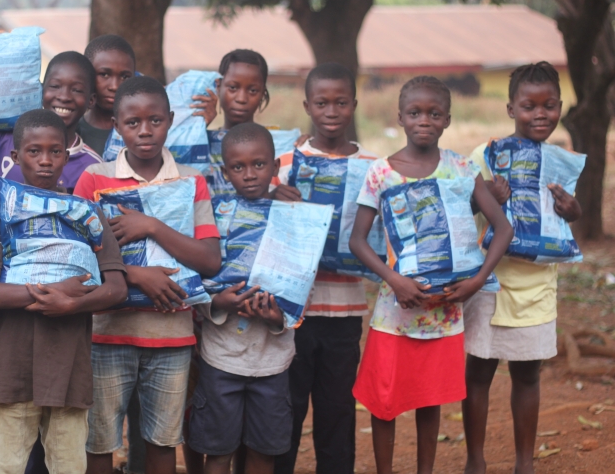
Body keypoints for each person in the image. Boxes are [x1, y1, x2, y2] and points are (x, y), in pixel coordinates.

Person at [0, 50, 102, 474]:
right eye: (55, 86)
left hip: (49, 292)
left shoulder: (92, 166)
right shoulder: (7, 138)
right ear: (40, 90)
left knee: (35, 389)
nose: (64, 96)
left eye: (76, 89)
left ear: (91, 99)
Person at [348, 76, 513, 474]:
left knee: (430, 398)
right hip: (395, 310)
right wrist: (395, 280)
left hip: (444, 312)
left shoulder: (462, 168)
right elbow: (357, 241)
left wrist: (477, 281)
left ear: (448, 120)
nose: (424, 120)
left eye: (434, 113)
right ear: (400, 117)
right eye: (415, 113)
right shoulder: (381, 173)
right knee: (384, 401)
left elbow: (502, 228)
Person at [73, 76, 222, 474]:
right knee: (99, 442)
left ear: (170, 120)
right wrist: (136, 275)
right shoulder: (94, 179)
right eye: (133, 122)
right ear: (117, 125)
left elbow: (210, 260)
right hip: (106, 333)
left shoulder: (191, 181)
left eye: (154, 120)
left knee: (162, 442)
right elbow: (75, 255)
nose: (144, 131)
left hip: (172, 336)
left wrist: (152, 226)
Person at [0, 110, 128, 473]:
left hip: (68, 367)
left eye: (55, 151)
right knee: (4, 466)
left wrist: (71, 303)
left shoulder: (86, 214)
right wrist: (60, 292)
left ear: (67, 155)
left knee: (69, 464)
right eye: (34, 151)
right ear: (15, 155)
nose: (45, 160)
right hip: (13, 365)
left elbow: (116, 288)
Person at [462, 62, 580, 474]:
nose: (540, 114)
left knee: (528, 376)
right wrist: (484, 198)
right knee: (478, 373)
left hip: (536, 288)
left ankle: (524, 463)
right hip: (488, 283)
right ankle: (475, 461)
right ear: (511, 108)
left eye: (549, 105)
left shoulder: (560, 163)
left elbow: (564, 219)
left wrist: (574, 210)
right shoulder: (485, 156)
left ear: (561, 107)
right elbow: (460, 209)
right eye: (529, 106)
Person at [272, 63, 377, 474]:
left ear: (354, 104)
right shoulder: (284, 164)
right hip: (291, 314)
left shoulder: (375, 168)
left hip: (345, 313)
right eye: (321, 102)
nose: (331, 110)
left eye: (340, 102)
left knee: (337, 411)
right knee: (287, 408)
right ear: (307, 106)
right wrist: (273, 200)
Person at [187, 122, 295, 474]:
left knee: (264, 452)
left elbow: (299, 287)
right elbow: (199, 280)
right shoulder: (214, 216)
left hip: (272, 361)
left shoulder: (292, 221)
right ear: (224, 171)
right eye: (238, 167)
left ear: (276, 167)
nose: (249, 175)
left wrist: (278, 316)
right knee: (218, 452)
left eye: (259, 164)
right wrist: (219, 303)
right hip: (221, 358)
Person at [203, 49, 271, 197]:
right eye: (233, 88)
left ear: (263, 94)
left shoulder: (278, 144)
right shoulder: (202, 141)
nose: (241, 98)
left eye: (252, 90)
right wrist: (198, 130)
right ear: (218, 87)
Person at [76, 34, 137, 156]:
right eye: (104, 74)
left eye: (125, 77)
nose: (114, 86)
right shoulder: (71, 134)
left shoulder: (143, 136)